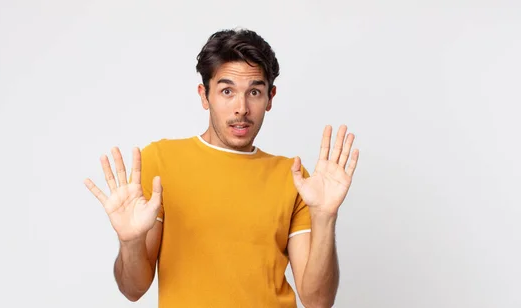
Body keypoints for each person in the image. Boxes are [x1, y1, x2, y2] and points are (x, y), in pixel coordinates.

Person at [84, 28, 359, 308]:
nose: (241, 108)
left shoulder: (294, 178)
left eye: (254, 91)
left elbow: (317, 301)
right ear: (205, 95)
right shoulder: (160, 162)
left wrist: (325, 216)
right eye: (227, 91)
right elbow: (133, 289)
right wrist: (130, 242)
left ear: (270, 98)